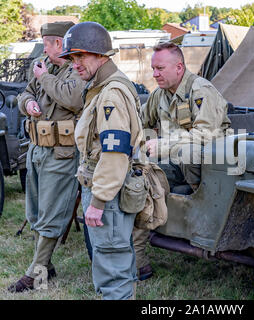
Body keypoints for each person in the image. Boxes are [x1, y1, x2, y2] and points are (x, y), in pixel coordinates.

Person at [59, 21, 143, 300]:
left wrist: (98, 201)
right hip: (106, 190)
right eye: (72, 58)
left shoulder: (111, 93)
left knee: (112, 272)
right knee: (115, 265)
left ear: (100, 55)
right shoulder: (102, 87)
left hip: (108, 195)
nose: (75, 64)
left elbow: (115, 151)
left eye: (80, 56)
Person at [134, 41, 231, 280]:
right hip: (176, 161)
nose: (154, 74)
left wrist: (161, 145)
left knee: (189, 152)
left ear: (179, 67)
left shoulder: (200, 90)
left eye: (160, 68)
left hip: (214, 164)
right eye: (153, 68)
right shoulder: (159, 95)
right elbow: (141, 122)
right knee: (138, 182)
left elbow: (204, 135)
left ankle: (196, 197)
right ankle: (138, 261)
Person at [8, 21, 85, 293]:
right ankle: (47, 267)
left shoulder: (76, 69)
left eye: (46, 41)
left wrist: (43, 78)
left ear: (59, 44)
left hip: (62, 152)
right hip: (37, 148)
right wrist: (28, 103)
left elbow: (72, 98)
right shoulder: (45, 66)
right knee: (36, 212)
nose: (43, 46)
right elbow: (25, 93)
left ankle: (36, 275)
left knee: (51, 215)